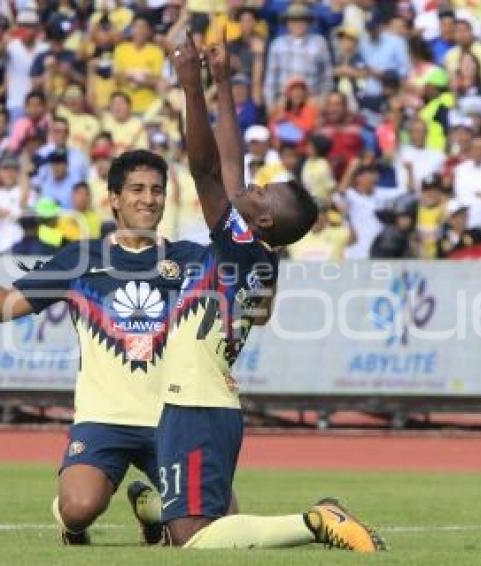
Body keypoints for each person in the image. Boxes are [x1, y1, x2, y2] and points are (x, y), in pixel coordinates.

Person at [146, 31, 383, 552]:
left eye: (260, 192)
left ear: (266, 218)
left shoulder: (241, 250)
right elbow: (231, 169)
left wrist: (191, 85)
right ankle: (156, 507)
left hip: (197, 401)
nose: (250, 188)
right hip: (209, 399)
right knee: (193, 524)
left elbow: (208, 169)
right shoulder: (255, 253)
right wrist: (225, 81)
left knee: (192, 536)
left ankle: (316, 521)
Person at [0, 149, 190, 547]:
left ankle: (151, 510)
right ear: (113, 198)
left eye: (156, 190)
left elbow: (235, 316)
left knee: (216, 524)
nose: (148, 199)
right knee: (79, 509)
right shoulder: (80, 259)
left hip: (172, 421)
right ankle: (73, 519)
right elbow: (5, 306)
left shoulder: (188, 261)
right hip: (103, 419)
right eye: (136, 189)